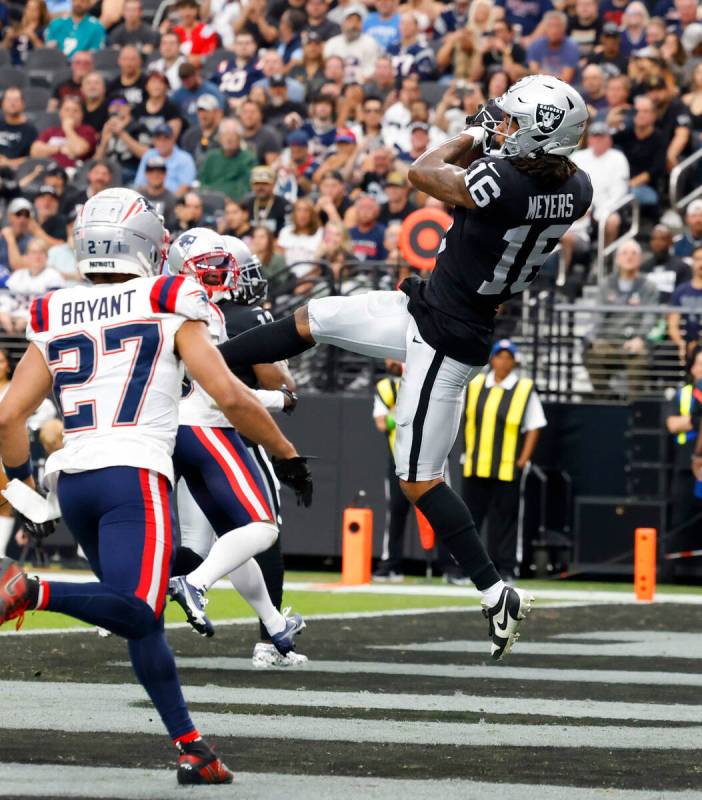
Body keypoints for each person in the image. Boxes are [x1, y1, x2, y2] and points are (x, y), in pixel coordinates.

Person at [218, 74, 593, 660]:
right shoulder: (578, 187)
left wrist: (470, 134)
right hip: (429, 307)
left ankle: (495, 593)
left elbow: (421, 171)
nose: (503, 129)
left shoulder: (509, 181)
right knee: (311, 318)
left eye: (515, 124)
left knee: (418, 476)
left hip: (447, 336)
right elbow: (515, 177)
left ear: (543, 138)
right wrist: (499, 140)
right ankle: (205, 364)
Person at [0, 187, 309, 782]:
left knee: (139, 621)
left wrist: (21, 492)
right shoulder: (167, 294)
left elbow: (10, 417)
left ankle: (194, 749)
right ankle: (30, 593)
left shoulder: (52, 307)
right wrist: (286, 453)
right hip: (132, 475)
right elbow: (229, 395)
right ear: (147, 241)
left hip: (73, 481)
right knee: (137, 609)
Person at [171, 233, 308, 666]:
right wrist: (280, 400)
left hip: (164, 430)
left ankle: (274, 627)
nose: (222, 275)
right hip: (217, 432)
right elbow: (225, 393)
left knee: (221, 536)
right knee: (262, 529)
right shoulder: (215, 317)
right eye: (209, 266)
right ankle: (197, 586)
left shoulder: (164, 309)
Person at [462, 340, 546, 581]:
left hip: (507, 467)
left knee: (506, 522)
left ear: (515, 362)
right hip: (475, 464)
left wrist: (522, 460)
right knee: (470, 520)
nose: (503, 361)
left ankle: (506, 568)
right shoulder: (476, 384)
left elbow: (535, 426)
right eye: (500, 356)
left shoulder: (523, 389)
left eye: (509, 357)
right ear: (492, 359)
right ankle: (470, 568)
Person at [585, 240, 659, 398]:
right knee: (591, 354)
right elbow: (598, 315)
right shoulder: (606, 284)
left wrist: (640, 338)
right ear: (617, 259)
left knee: (640, 361)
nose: (629, 257)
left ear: (640, 259)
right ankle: (607, 399)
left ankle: (633, 406)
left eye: (634, 254)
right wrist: (595, 339)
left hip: (635, 343)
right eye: (625, 253)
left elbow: (650, 316)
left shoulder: (649, 286)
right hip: (608, 342)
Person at [372, 358, 411, 582]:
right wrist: (398, 414)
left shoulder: (421, 380)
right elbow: (381, 423)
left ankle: (452, 566)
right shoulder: (384, 387)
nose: (391, 361)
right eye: (387, 357)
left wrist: (395, 414)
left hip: (428, 458)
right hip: (398, 460)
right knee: (395, 512)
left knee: (438, 515)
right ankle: (391, 564)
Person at [667, 346, 702, 556]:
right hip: (685, 465)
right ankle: (666, 573)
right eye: (698, 363)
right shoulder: (684, 394)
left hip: (696, 459)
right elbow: (672, 424)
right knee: (679, 520)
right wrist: (697, 420)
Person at [30, 95, 97, 169]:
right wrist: (60, 149)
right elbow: (34, 152)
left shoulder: (87, 130)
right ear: (60, 113)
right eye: (67, 110)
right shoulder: (50, 131)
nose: (71, 114)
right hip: (49, 171)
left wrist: (68, 129)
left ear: (81, 115)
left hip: (75, 172)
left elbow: (79, 150)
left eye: (75, 111)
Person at [198, 119, 256, 201]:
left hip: (236, 204)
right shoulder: (211, 157)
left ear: (240, 138)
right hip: (211, 201)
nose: (229, 139)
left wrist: (229, 201)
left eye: (233, 135)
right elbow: (203, 183)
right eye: (225, 135)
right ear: (220, 138)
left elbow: (246, 187)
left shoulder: (248, 158)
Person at [133, 123, 197, 197]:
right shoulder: (148, 155)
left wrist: (171, 203)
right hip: (149, 200)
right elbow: (139, 185)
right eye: (158, 139)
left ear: (173, 139)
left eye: (165, 139)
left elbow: (185, 187)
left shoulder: (185, 158)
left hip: (173, 201)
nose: (162, 143)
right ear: (154, 140)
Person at [668, 247, 702, 365]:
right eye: (698, 259)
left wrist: (698, 344)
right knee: (664, 354)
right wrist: (680, 343)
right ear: (692, 262)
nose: (701, 263)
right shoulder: (681, 291)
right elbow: (673, 324)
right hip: (685, 341)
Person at [641, 224, 690, 301]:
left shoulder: (682, 267)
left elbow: (684, 294)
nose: (657, 243)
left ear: (670, 242)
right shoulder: (644, 267)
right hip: (648, 309)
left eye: (662, 239)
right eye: (654, 239)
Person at [0, 87, 37, 171]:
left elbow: (33, 158)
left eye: (16, 100)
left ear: (23, 104)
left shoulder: (30, 130)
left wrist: (9, 163)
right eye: (9, 100)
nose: (12, 103)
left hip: (17, 172)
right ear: (2, 103)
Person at [137, 155, 178, 231]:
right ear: (146, 174)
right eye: (151, 171)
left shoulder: (172, 199)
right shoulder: (137, 196)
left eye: (160, 172)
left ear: (165, 174)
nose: (155, 175)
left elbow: (172, 227)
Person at [244, 166, 288, 235]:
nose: (260, 187)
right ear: (251, 185)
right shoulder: (247, 204)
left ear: (273, 185)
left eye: (265, 184)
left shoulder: (284, 205)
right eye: (257, 183)